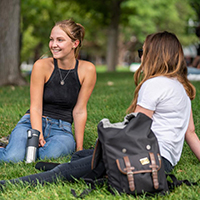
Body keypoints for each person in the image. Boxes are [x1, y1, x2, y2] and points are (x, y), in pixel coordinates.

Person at [1, 31, 200, 188]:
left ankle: (10, 184)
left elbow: (135, 132)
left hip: (141, 157)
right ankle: (77, 165)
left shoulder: (154, 84)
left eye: (142, 53)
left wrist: (107, 136)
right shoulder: (181, 87)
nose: (141, 58)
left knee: (69, 170)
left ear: (154, 56)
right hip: (163, 163)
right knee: (82, 156)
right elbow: (190, 133)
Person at [0, 19, 96, 162]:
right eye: (51, 40)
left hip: (62, 129)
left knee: (48, 156)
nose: (53, 45)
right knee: (13, 158)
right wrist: (37, 133)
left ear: (74, 44)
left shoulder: (87, 70)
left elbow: (80, 110)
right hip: (32, 122)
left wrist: (79, 149)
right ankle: (9, 147)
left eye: (60, 40)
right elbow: (36, 107)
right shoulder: (41, 66)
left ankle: (19, 145)